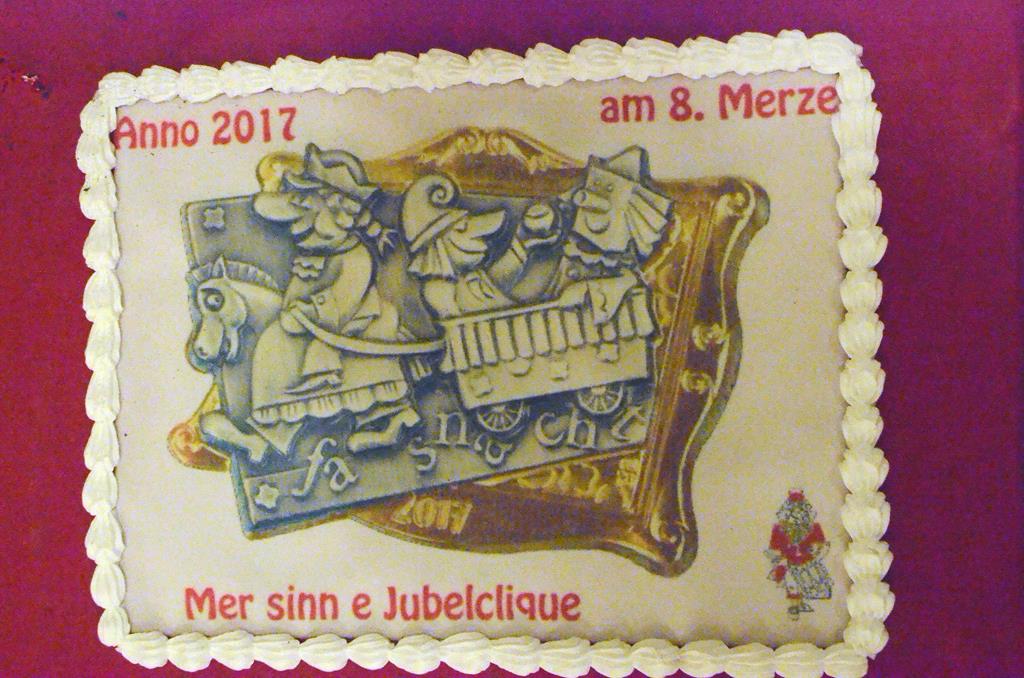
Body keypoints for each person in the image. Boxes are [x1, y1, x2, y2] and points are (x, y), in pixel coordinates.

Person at [248, 144, 427, 454]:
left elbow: (342, 302)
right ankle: (274, 433)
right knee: (277, 342)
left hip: (345, 321)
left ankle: (387, 422)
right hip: (305, 319)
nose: (298, 217)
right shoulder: (317, 251)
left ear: (338, 212)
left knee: (297, 347)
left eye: (308, 204)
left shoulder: (354, 257)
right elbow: (266, 207)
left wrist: (308, 311)